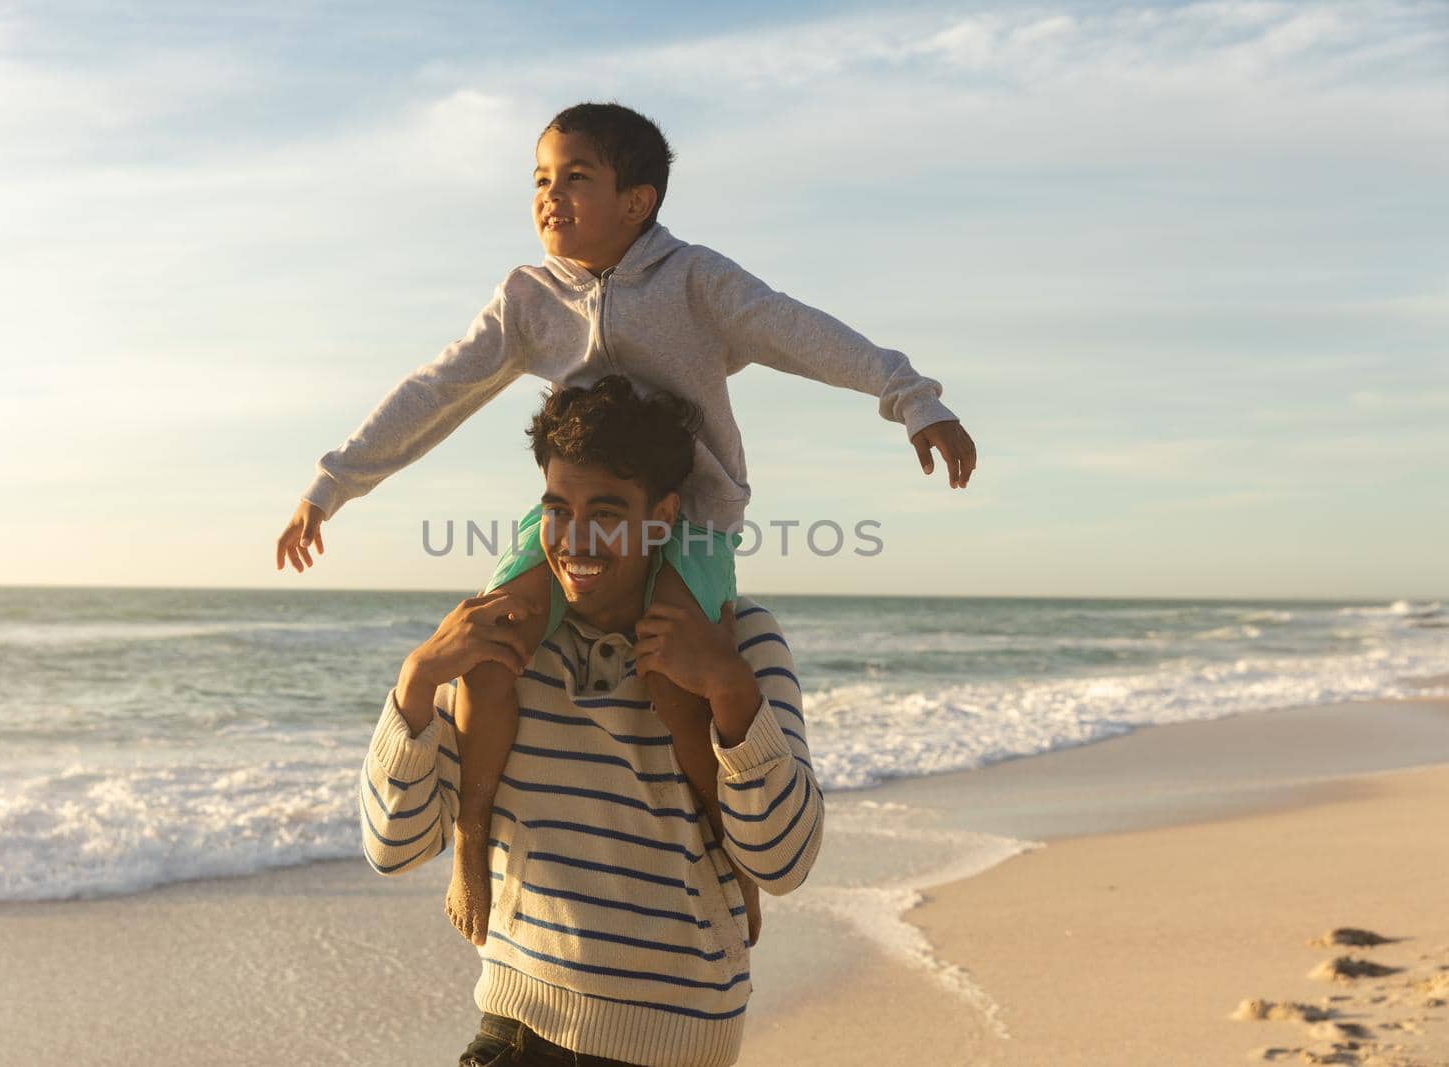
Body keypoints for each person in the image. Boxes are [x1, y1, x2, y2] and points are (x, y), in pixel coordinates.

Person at [288, 101, 975, 948]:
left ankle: (728, 854)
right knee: (492, 647)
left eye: (577, 177)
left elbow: (800, 332)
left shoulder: (696, 282)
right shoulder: (527, 297)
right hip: (579, 512)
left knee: (675, 677)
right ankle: (471, 837)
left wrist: (912, 399)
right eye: (541, 179)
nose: (551, 196)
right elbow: (436, 390)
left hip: (691, 515)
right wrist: (334, 483)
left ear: (637, 200)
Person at [359, 377, 823, 1067]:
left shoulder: (741, 638)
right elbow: (392, 848)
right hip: (513, 1029)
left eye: (605, 512)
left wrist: (727, 686)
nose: (576, 539)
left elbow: (785, 861)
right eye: (558, 509)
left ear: (662, 517)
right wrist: (417, 679)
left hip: (676, 1045)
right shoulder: (505, 644)